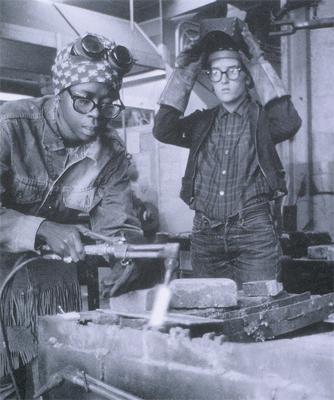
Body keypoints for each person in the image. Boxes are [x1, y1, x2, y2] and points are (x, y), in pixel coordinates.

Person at [0, 33, 142, 396]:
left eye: (107, 103)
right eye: (84, 100)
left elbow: (118, 223)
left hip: (52, 293)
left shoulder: (110, 153)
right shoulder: (9, 128)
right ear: (57, 91)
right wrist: (42, 228)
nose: (96, 114)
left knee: (55, 381)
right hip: (2, 282)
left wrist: (126, 255)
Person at [153, 18, 302, 288]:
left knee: (259, 313)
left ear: (246, 77)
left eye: (233, 71)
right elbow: (163, 130)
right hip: (205, 234)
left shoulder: (263, 121)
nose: (223, 80)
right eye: (215, 72)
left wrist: (256, 60)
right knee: (211, 314)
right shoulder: (202, 122)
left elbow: (289, 122)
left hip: (254, 233)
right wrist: (185, 73)